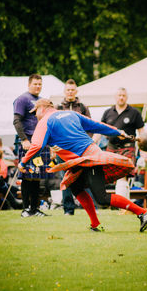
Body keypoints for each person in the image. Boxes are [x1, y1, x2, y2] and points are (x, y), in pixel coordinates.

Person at [18, 98, 147, 232]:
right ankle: (95, 224)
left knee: (102, 198)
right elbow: (96, 125)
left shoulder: (45, 121)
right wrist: (118, 131)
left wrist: (23, 162)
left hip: (89, 158)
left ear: (42, 108)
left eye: (35, 112)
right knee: (75, 187)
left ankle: (142, 212)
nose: (35, 116)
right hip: (84, 158)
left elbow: (37, 145)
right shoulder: (71, 114)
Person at [13, 74, 54, 217]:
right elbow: (17, 121)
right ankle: (25, 209)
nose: (38, 86)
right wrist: (24, 139)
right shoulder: (22, 99)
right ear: (29, 84)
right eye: (35, 84)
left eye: (40, 84)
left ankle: (35, 209)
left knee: (37, 176)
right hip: (27, 142)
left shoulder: (41, 101)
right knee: (26, 175)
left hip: (39, 142)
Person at [55, 78, 97, 215]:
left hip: (80, 149)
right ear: (64, 91)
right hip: (63, 149)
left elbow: (90, 127)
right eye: (68, 90)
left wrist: (85, 143)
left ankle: (90, 208)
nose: (70, 92)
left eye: (72, 90)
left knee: (84, 178)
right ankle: (68, 209)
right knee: (65, 178)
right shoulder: (58, 108)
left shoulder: (83, 107)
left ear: (76, 91)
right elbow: (53, 127)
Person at [99, 87, 146, 199]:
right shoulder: (108, 113)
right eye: (119, 95)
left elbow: (142, 133)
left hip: (127, 148)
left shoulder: (134, 113)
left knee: (123, 176)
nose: (121, 97)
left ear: (127, 97)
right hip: (111, 148)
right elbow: (99, 130)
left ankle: (123, 206)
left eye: (123, 95)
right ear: (115, 97)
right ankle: (125, 204)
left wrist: (144, 153)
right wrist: (91, 143)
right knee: (114, 178)